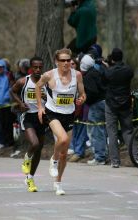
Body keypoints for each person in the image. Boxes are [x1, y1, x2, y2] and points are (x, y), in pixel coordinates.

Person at [35, 48, 86, 195]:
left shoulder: (77, 75)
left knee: (65, 153)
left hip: (68, 114)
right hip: (52, 113)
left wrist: (82, 99)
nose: (66, 63)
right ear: (57, 62)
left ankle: (58, 183)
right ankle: (53, 159)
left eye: (68, 60)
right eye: (62, 60)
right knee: (62, 139)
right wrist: (40, 107)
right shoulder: (49, 75)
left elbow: (83, 94)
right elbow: (38, 87)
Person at [10, 56, 47, 192]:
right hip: (28, 117)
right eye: (35, 67)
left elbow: (53, 97)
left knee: (38, 150)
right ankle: (26, 158)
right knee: (35, 144)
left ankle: (30, 178)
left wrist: (46, 97)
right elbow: (12, 91)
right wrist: (20, 103)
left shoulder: (46, 82)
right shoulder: (23, 81)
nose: (37, 70)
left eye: (40, 67)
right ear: (31, 68)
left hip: (42, 118)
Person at [104, 48, 134, 168]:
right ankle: (136, 156)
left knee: (112, 132)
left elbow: (104, 80)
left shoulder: (109, 72)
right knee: (128, 131)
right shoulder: (128, 70)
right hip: (125, 104)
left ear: (112, 58)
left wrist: (107, 66)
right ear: (122, 57)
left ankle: (115, 161)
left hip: (111, 104)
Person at [82, 44, 108, 166]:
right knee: (101, 130)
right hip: (104, 102)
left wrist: (85, 99)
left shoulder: (88, 76)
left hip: (96, 105)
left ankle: (99, 157)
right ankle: (103, 154)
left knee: (96, 131)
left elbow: (92, 92)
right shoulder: (96, 71)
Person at [68, 57, 89, 162]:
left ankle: (79, 152)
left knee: (81, 129)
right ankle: (76, 150)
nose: (71, 65)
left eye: (73, 64)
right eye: (69, 64)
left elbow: (82, 95)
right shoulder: (67, 77)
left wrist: (78, 109)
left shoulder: (80, 77)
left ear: (77, 65)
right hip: (70, 109)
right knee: (74, 130)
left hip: (81, 108)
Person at [0, 59, 14, 149]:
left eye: (1, 67)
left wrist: (5, 98)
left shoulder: (7, 77)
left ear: (4, 68)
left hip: (6, 105)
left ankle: (8, 142)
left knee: (7, 124)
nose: (0, 69)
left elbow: (10, 89)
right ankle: (0, 141)